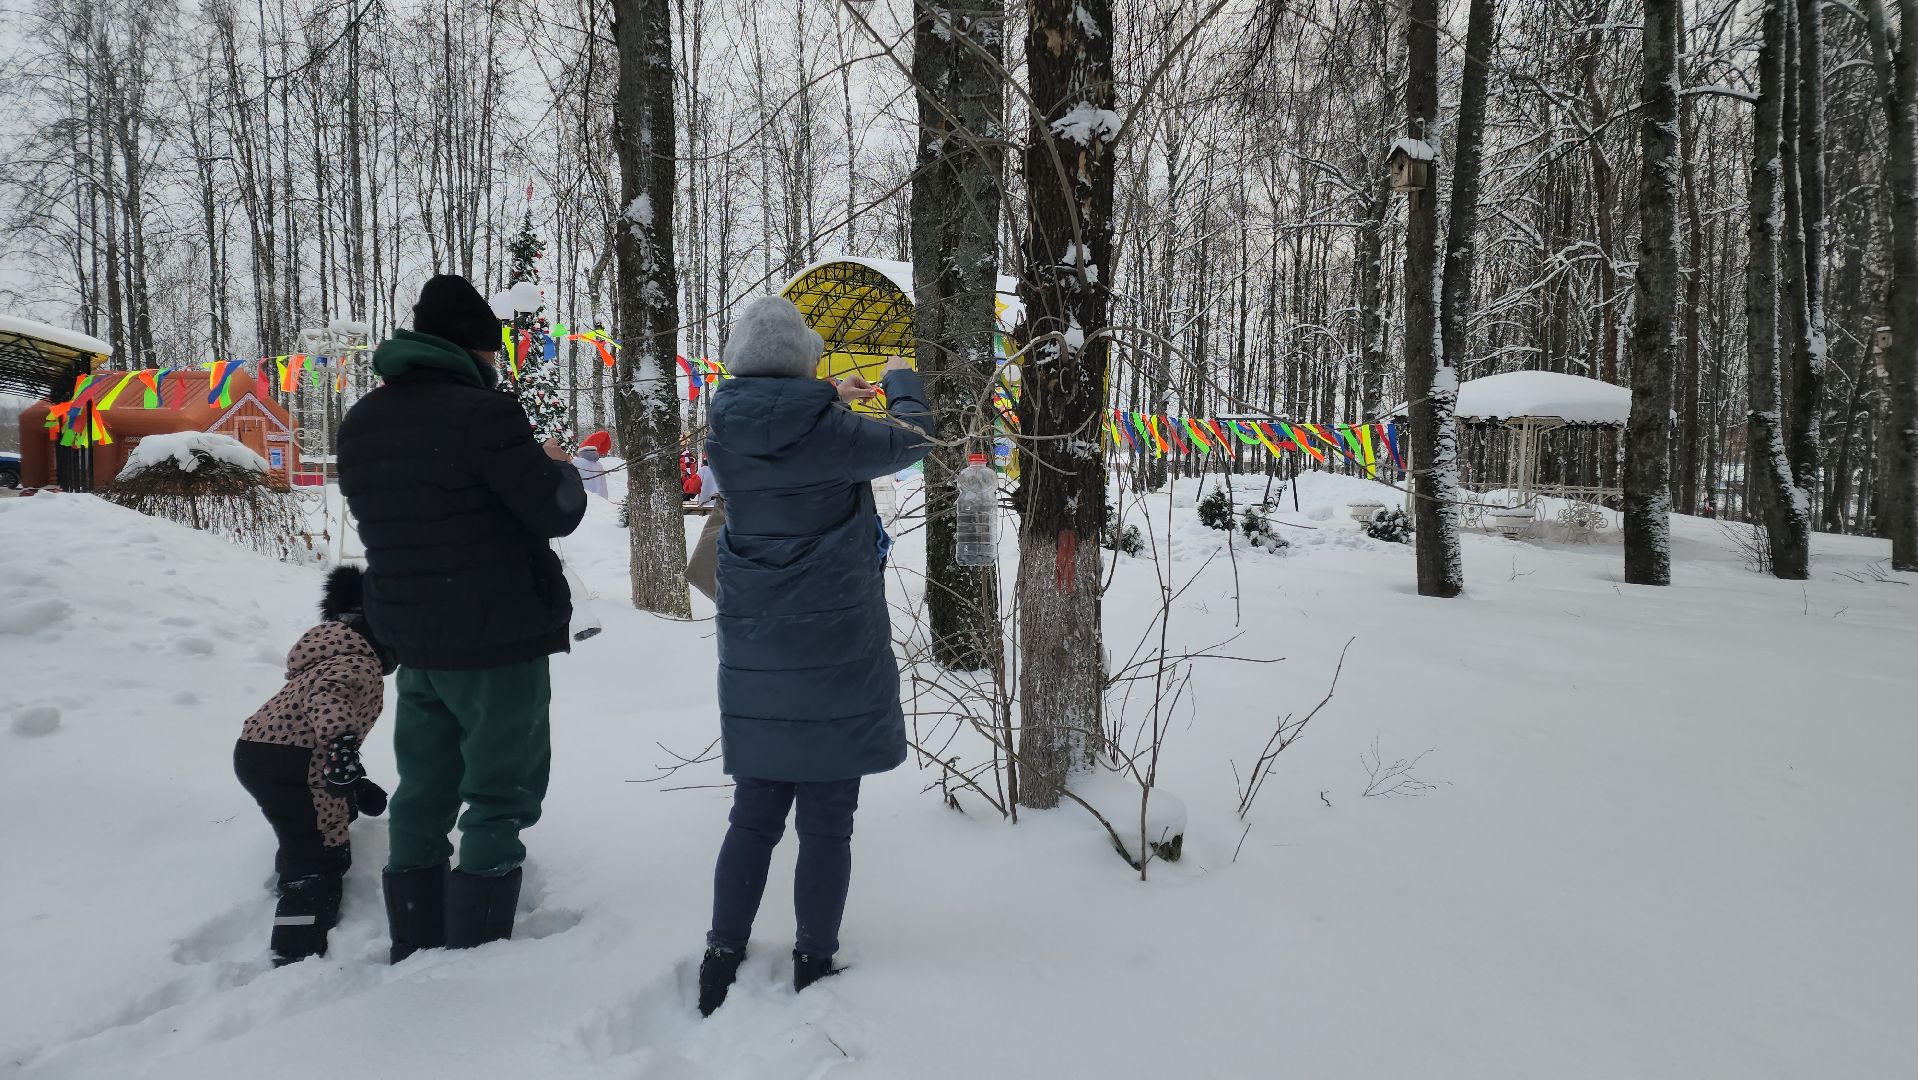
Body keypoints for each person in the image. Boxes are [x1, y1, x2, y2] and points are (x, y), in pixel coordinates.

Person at [337, 274, 588, 962]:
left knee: (423, 784)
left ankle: (413, 941)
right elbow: (553, 512)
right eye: (495, 355)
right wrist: (557, 468)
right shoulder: (486, 416)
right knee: (499, 791)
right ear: (476, 350)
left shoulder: (361, 421)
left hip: (415, 637)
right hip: (498, 637)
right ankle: (474, 957)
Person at [695, 296, 934, 1016]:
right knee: (828, 819)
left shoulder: (723, 430)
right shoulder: (836, 437)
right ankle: (812, 958)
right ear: (806, 359)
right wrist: (899, 381)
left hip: (757, 652)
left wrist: (827, 396)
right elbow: (915, 440)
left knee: (754, 814)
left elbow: (778, 425)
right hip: (833, 651)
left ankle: (721, 953)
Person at [233, 566, 395, 966]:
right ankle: (296, 949)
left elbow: (312, 722)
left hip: (259, 751)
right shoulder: (358, 663)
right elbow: (328, 700)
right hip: (293, 760)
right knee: (323, 849)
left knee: (309, 818)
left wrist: (352, 778)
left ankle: (294, 857)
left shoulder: (326, 657)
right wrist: (341, 748)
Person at [573, 430, 612, 499]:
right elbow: (603, 487)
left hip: (584, 500)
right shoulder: (599, 465)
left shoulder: (576, 463)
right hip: (601, 501)